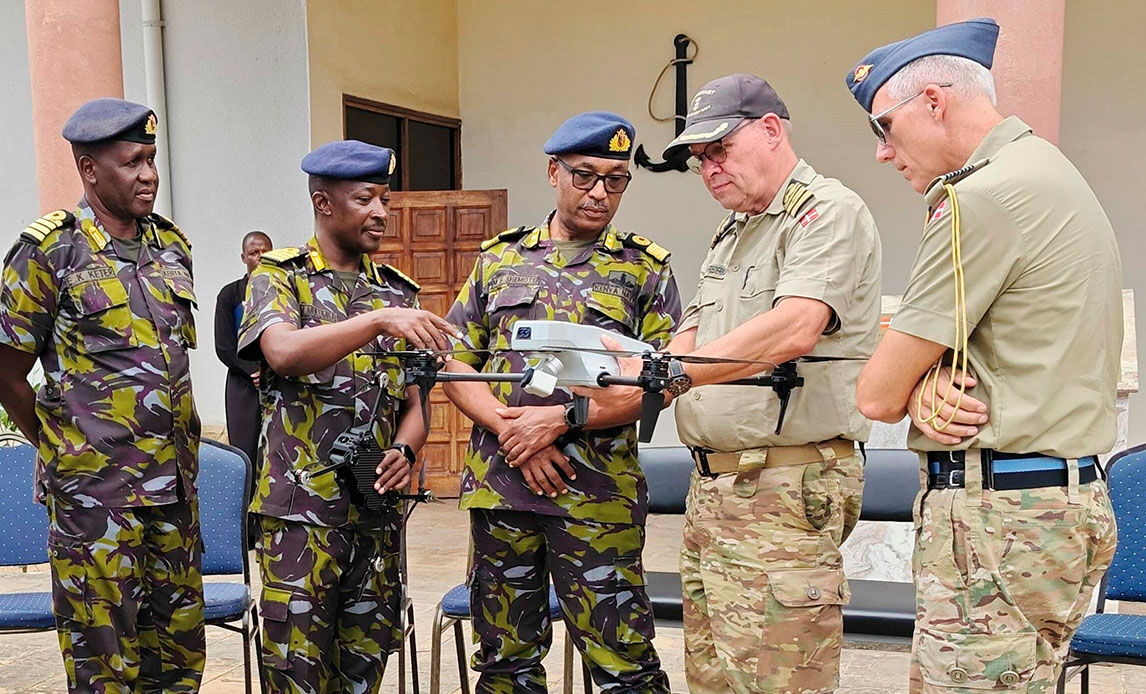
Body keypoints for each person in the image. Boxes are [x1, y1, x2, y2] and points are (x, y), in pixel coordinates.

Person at [845, 18, 1120, 691]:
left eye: (883, 127)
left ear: (932, 101)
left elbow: (875, 393)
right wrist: (927, 380)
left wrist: (909, 383)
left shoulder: (980, 200)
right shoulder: (1047, 170)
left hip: (999, 522)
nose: (883, 152)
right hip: (1054, 504)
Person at [585, 74, 882, 693]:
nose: (709, 169)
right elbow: (690, 336)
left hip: (783, 485)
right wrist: (631, 377)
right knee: (715, 677)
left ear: (771, 130)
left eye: (719, 150)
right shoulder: (736, 230)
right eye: (699, 160)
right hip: (717, 486)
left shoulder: (824, 211)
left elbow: (797, 326)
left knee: (778, 679)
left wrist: (667, 373)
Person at [442, 111, 679, 693]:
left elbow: (664, 380)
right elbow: (454, 361)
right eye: (584, 175)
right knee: (504, 663)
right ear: (553, 171)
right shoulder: (498, 259)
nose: (600, 192)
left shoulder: (644, 267)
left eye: (616, 179)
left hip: (596, 496)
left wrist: (558, 423)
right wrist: (511, 431)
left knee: (624, 662)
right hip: (502, 489)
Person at [0, 98, 205, 692]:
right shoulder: (49, 251)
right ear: (89, 170)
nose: (149, 175)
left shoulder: (173, 247)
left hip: (175, 494)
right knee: (104, 667)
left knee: (178, 661)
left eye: (152, 160)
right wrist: (57, 445)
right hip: (96, 500)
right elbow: (8, 370)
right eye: (132, 163)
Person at [237, 139, 457, 693]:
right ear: (324, 203)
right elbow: (283, 352)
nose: (381, 212)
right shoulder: (279, 278)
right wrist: (378, 321)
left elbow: (415, 407)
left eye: (385, 198)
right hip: (300, 519)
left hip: (374, 518)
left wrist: (405, 451)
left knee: (365, 668)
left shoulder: (396, 293)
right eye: (366, 199)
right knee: (297, 671)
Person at [215, 230, 272, 467]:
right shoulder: (229, 295)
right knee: (244, 453)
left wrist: (270, 371)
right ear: (243, 257)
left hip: (278, 381)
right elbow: (224, 346)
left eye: (265, 252)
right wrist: (252, 371)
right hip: (242, 383)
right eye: (253, 252)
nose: (259, 257)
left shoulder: (285, 293)